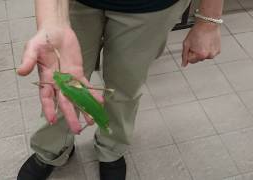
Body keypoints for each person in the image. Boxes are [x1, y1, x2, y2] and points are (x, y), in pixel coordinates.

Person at [16, 0, 223, 179]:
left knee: (125, 87)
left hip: (152, 8)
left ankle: (111, 148)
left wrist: (208, 20)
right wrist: (52, 21)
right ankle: (52, 147)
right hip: (76, 4)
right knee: (63, 84)